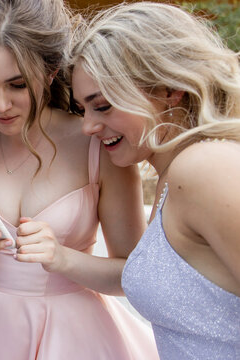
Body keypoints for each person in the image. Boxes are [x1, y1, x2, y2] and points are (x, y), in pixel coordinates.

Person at [0, 0, 159, 359]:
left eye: (17, 85)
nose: (1, 105)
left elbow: (132, 277)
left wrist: (61, 258)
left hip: (73, 336)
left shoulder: (99, 147)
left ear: (52, 70)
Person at [69, 2, 240, 358]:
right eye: (81, 109)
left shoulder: (204, 169)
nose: (87, 126)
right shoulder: (175, 175)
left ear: (167, 90)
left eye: (102, 106)